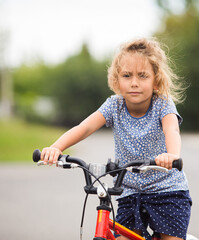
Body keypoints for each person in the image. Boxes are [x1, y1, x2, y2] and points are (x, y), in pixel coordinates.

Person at [40, 38, 191, 240]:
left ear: (156, 80)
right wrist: (56, 147)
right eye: (127, 75)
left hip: (167, 192)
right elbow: (84, 127)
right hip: (130, 193)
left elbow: (172, 130)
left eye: (143, 76)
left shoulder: (162, 104)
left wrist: (171, 156)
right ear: (117, 80)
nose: (134, 82)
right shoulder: (114, 105)